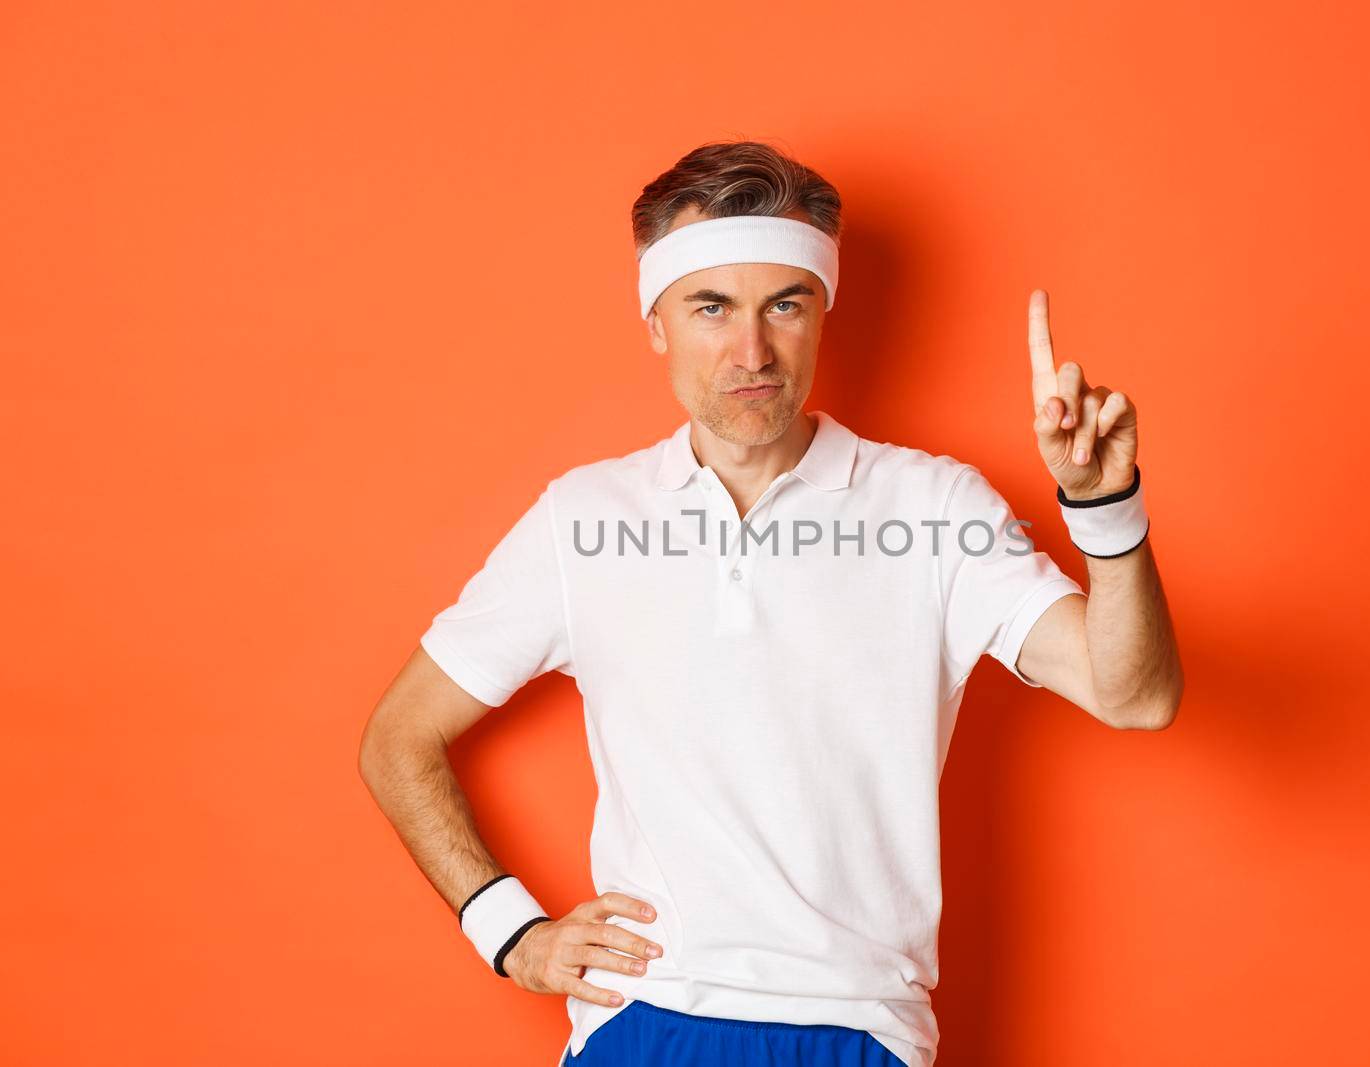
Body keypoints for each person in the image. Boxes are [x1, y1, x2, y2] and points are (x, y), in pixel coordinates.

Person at [358, 139, 1184, 1067]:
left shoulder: (933, 506)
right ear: (656, 322)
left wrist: (1105, 509)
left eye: (783, 304)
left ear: (821, 315)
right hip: (645, 1019)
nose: (751, 350)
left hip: (859, 1027)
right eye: (711, 307)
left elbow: (1133, 694)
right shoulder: (584, 518)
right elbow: (398, 737)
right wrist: (511, 932)